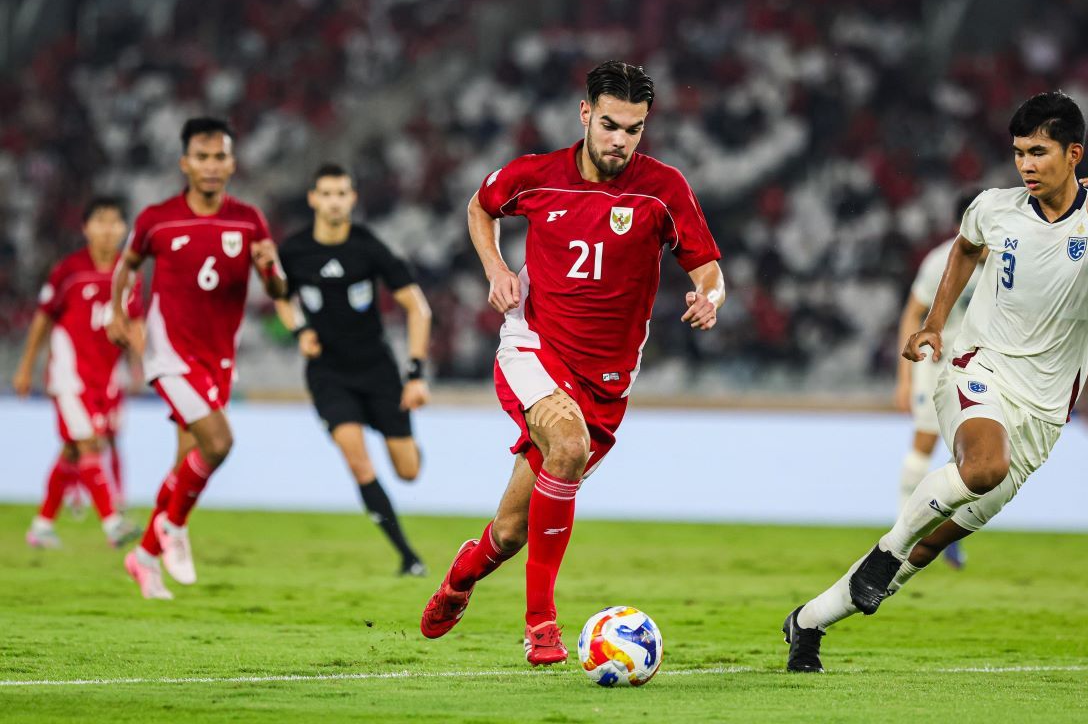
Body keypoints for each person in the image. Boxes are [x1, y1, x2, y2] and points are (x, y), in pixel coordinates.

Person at [783, 90, 1088, 672]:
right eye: (1019, 152)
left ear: (1074, 153)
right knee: (982, 468)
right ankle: (886, 552)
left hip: (1044, 413)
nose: (1026, 165)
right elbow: (964, 249)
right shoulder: (994, 207)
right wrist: (933, 325)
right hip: (980, 367)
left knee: (930, 544)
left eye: (1040, 152)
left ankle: (807, 622)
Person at [419, 60, 724, 665]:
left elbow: (709, 269)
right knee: (566, 444)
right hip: (532, 346)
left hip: (607, 382)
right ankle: (541, 627)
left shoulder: (662, 189)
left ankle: (462, 574)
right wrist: (498, 271)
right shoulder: (536, 176)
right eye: (609, 124)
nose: (619, 140)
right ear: (585, 113)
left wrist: (708, 299)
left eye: (633, 130)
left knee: (511, 531)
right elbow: (480, 207)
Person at [108, 117, 287, 600]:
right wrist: (119, 314)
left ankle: (143, 557)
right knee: (219, 443)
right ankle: (175, 527)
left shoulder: (248, 219)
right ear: (185, 163)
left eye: (220, 157)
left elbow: (276, 287)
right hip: (169, 355)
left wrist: (270, 269)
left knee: (189, 458)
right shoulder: (156, 218)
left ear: (231, 162)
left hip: (218, 359)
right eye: (202, 157)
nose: (211, 166)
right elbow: (127, 268)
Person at [276, 163, 433, 577]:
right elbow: (279, 297)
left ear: (352, 199)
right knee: (358, 462)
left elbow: (418, 307)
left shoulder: (368, 247)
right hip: (328, 373)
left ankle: (406, 440)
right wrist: (300, 330)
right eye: (325, 193)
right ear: (313, 198)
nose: (333, 201)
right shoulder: (292, 252)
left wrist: (415, 372)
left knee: (409, 471)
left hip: (377, 370)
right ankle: (407, 556)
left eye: (341, 193)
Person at [13, 197, 143, 549]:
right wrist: (26, 366)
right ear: (85, 228)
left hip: (106, 375)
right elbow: (43, 318)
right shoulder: (69, 271)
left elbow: (134, 324)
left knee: (73, 450)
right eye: (100, 222)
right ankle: (113, 523)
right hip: (70, 376)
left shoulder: (128, 275)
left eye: (115, 222)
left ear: (123, 229)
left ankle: (41, 526)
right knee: (89, 443)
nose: (108, 229)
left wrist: (137, 364)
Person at [892, 203, 985, 570]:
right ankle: (900, 533)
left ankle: (948, 535)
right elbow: (912, 314)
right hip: (934, 366)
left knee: (972, 452)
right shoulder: (940, 261)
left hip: (979, 369)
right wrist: (904, 377)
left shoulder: (1007, 259)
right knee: (925, 440)